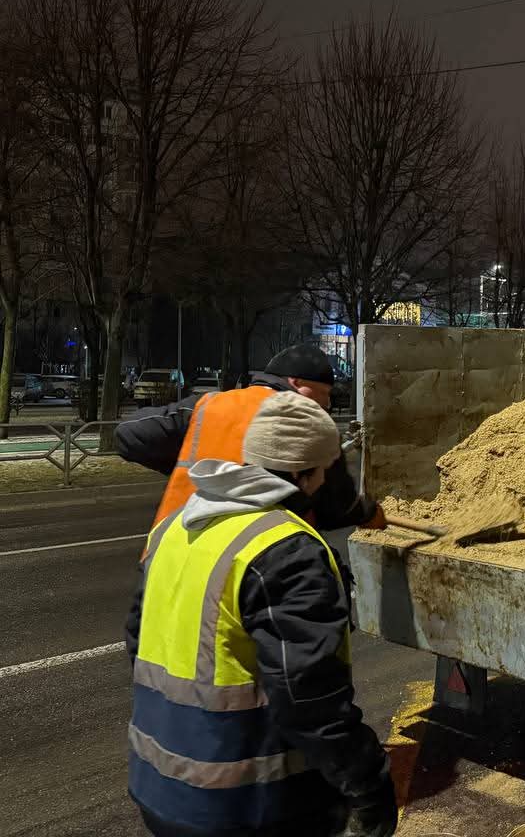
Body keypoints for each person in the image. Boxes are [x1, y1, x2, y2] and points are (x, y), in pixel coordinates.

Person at [126, 391, 398, 837]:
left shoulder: (175, 527)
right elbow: (309, 698)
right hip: (245, 803)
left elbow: (137, 641)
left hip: (157, 782)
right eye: (326, 471)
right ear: (302, 474)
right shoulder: (287, 551)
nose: (329, 484)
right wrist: (369, 784)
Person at [118, 344, 383, 531]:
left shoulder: (208, 405)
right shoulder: (308, 425)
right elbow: (337, 505)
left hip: (174, 548)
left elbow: (128, 434)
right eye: (323, 393)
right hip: (256, 559)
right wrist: (370, 514)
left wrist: (199, 467)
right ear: (296, 383)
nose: (326, 404)